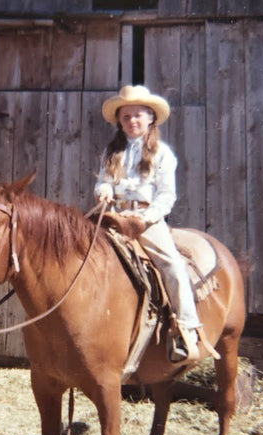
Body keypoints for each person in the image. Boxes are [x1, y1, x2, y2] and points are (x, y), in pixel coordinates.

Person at [94, 84, 217, 362]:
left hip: (146, 220)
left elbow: (166, 196)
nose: (132, 121)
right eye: (126, 117)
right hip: (114, 215)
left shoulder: (162, 154)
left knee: (172, 264)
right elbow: (104, 180)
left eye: (137, 116)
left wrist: (144, 218)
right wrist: (103, 190)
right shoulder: (112, 151)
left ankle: (186, 329)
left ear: (151, 118)